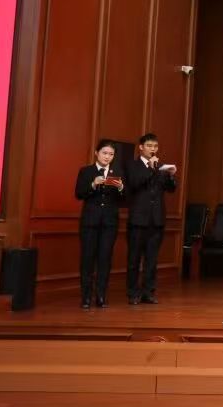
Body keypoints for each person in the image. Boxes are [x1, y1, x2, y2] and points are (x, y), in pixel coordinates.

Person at [125, 132, 176, 305]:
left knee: (152, 260)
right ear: (141, 147)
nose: (152, 149)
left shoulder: (161, 167)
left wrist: (171, 175)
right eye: (149, 146)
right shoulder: (132, 165)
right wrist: (151, 169)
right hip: (138, 220)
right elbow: (134, 183)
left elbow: (171, 189)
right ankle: (133, 293)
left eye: (155, 146)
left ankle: (148, 292)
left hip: (157, 220)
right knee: (134, 259)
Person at [74, 139, 124, 309]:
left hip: (109, 223)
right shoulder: (86, 171)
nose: (107, 157)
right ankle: (86, 297)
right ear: (97, 153)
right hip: (90, 222)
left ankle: (101, 296)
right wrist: (93, 184)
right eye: (104, 153)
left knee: (105, 259)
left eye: (111, 154)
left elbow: (125, 199)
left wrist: (121, 188)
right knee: (87, 259)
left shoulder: (118, 172)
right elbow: (79, 194)